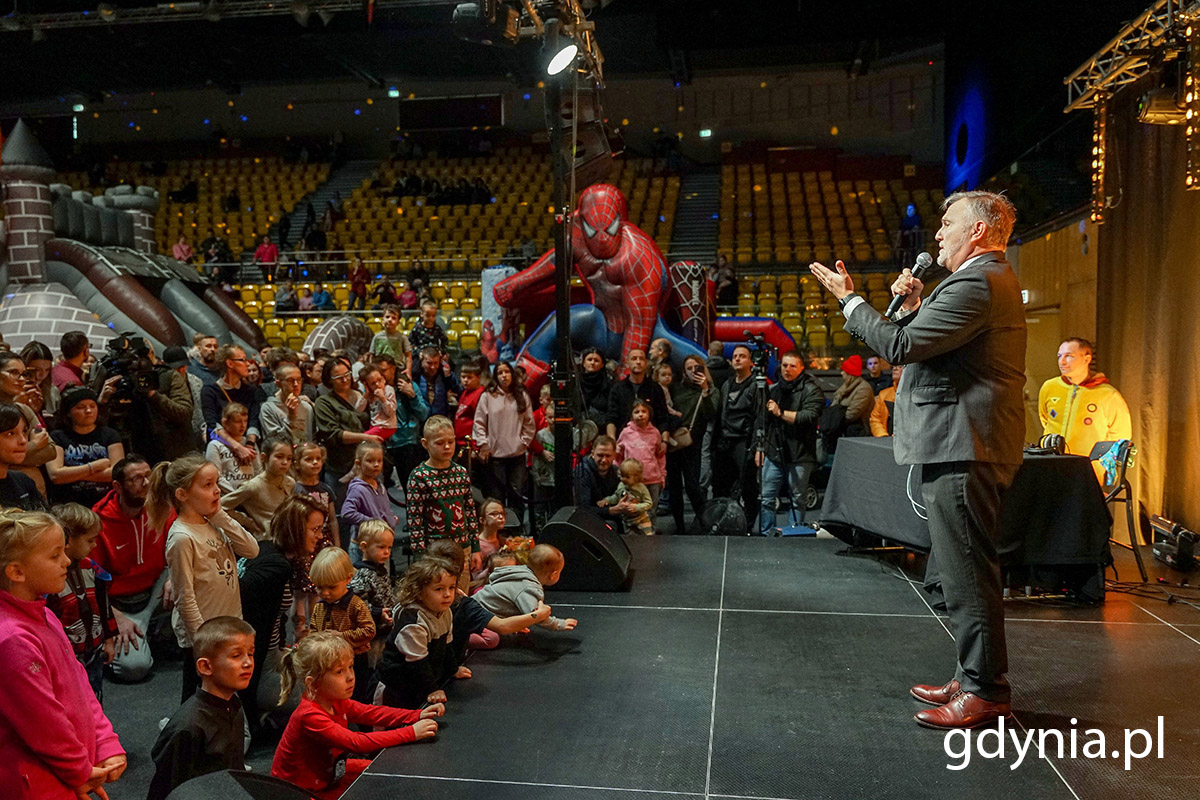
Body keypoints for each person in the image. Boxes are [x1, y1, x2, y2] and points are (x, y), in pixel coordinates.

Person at [810, 189, 1026, 730]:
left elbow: (901, 349)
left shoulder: (979, 280)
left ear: (977, 231)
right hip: (961, 441)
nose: (937, 234)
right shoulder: (977, 280)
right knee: (958, 570)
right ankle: (971, 673)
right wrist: (911, 307)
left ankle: (984, 690)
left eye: (947, 223)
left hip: (965, 443)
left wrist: (850, 303)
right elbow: (926, 339)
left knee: (968, 571)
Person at [0, 509, 127, 799]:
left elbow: (81, 686)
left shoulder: (45, 614)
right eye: (55, 555)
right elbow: (43, 723)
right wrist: (77, 770)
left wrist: (106, 742)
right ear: (16, 572)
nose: (67, 562)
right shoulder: (12, 639)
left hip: (63, 775)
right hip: (35, 784)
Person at [272, 632, 441, 799]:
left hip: (328, 775)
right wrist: (411, 732)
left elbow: (370, 713)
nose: (350, 677)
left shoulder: (335, 701)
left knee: (390, 772)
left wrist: (416, 715)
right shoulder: (309, 715)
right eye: (339, 671)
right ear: (312, 682)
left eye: (350, 667)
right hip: (299, 793)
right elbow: (357, 742)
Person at [149, 454, 260, 702]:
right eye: (207, 485)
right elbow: (184, 597)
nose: (217, 491)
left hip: (227, 627)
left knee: (223, 697)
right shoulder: (181, 537)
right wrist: (203, 643)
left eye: (216, 483)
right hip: (203, 637)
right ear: (182, 494)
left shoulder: (213, 523)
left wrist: (221, 517)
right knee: (198, 699)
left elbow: (252, 550)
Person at [146, 616, 254, 800]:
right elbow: (169, 790)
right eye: (236, 655)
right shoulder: (188, 727)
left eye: (250, 653)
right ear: (205, 666)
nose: (248, 663)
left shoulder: (233, 705)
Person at [92, 454, 172, 682]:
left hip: (156, 591)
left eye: (148, 476)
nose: (146, 483)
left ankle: (159, 632)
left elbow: (178, 548)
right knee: (134, 668)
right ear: (117, 486)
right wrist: (114, 618)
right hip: (119, 604)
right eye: (137, 479)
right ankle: (137, 636)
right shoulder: (98, 521)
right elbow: (91, 578)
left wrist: (175, 577)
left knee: (196, 571)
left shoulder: (161, 508)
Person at [44, 503, 117, 700]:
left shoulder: (93, 569)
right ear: (67, 541)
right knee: (71, 697)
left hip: (93, 647)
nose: (94, 545)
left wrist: (109, 641)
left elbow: (104, 607)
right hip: (66, 653)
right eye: (90, 540)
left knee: (94, 693)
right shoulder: (48, 578)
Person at [374, 556, 462, 709]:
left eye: (451, 588)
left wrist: (453, 669)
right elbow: (417, 663)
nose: (447, 594)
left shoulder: (445, 612)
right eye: (439, 589)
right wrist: (432, 689)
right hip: (395, 688)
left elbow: (446, 645)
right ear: (419, 593)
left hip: (417, 685)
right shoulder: (413, 622)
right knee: (391, 726)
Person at [406, 416, 480, 593]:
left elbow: (470, 511)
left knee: (461, 593)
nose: (447, 447)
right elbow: (415, 519)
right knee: (438, 595)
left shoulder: (460, 473)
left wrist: (475, 547)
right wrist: (419, 554)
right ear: (425, 443)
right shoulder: (419, 476)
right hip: (434, 551)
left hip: (462, 547)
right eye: (440, 443)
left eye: (451, 441)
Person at [756, 350, 825, 536]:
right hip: (774, 453)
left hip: (800, 453)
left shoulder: (812, 390)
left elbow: (809, 416)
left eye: (792, 366)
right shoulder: (774, 390)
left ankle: (794, 534)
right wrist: (759, 448)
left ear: (801, 368)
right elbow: (763, 422)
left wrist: (781, 413)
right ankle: (766, 533)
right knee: (767, 498)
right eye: (784, 365)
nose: (787, 369)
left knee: (797, 500)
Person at [1038, 337, 1132, 462]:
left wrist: (1104, 461)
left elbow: (1120, 435)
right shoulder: (1049, 387)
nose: (1062, 362)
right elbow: (1046, 420)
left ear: (1087, 359)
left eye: (1069, 356)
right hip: (1052, 464)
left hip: (1089, 468)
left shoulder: (1108, 395)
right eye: (1059, 356)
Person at [472, 361, 535, 530]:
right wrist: (484, 444)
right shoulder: (487, 396)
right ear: (495, 376)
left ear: (512, 374)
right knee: (496, 496)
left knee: (517, 494)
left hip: (517, 454)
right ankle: (497, 531)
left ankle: (517, 529)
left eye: (507, 371)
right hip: (495, 456)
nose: (503, 375)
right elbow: (479, 423)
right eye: (500, 372)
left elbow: (529, 423)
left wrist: (523, 443)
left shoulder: (521, 395)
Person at [308, 547, 376, 702]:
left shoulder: (356, 605)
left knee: (359, 698)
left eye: (331, 587)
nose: (325, 593)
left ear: (348, 579)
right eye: (319, 587)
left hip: (355, 661)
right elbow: (313, 630)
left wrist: (342, 637)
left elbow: (369, 630)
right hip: (328, 662)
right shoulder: (319, 606)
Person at [313, 357, 377, 507]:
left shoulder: (360, 395)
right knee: (342, 510)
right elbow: (333, 434)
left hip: (366, 461)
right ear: (329, 380)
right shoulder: (324, 402)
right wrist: (365, 437)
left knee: (370, 508)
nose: (344, 379)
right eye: (338, 377)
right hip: (339, 464)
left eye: (347, 374)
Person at [46, 387, 124, 508]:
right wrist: (94, 466)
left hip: (106, 503)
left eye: (93, 406)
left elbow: (117, 474)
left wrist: (70, 474)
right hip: (68, 504)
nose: (88, 411)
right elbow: (55, 475)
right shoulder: (58, 436)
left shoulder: (110, 435)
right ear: (68, 412)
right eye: (80, 407)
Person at [472, 543, 578, 629]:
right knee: (492, 639)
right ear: (553, 575)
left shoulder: (518, 572)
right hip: (477, 616)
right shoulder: (529, 588)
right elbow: (536, 616)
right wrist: (559, 623)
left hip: (473, 606)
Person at [668, 354, 718, 535]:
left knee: (692, 486)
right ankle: (679, 525)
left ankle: (704, 521)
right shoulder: (676, 388)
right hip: (674, 441)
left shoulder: (711, 390)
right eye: (688, 369)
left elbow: (711, 414)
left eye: (696, 368)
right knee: (673, 487)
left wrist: (705, 390)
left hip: (694, 444)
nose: (692, 372)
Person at [713, 345, 758, 521]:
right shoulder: (727, 384)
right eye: (735, 356)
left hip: (744, 441)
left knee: (748, 486)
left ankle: (748, 522)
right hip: (725, 440)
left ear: (750, 362)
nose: (737, 359)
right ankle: (723, 520)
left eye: (742, 356)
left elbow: (759, 418)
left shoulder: (756, 385)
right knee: (720, 485)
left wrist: (756, 447)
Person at [221, 437, 296, 536]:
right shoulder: (253, 486)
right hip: (267, 540)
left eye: (289, 458)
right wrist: (248, 522)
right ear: (263, 457)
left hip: (288, 537)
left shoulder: (290, 483)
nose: (285, 462)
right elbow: (221, 505)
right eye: (279, 457)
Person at [201, 344, 264, 457]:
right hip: (220, 449)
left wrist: (249, 446)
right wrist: (238, 447)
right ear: (229, 363)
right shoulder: (209, 391)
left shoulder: (252, 391)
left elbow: (253, 421)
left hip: (247, 447)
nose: (248, 363)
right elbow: (213, 425)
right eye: (242, 360)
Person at [349, 520, 397, 660]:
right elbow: (356, 604)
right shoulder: (363, 573)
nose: (387, 552)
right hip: (371, 633)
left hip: (384, 629)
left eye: (389, 547)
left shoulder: (380, 569)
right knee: (373, 663)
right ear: (364, 546)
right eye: (381, 547)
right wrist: (377, 613)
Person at [605, 348, 672, 445]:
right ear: (627, 363)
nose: (638, 362)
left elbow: (663, 418)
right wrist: (613, 443)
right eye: (634, 358)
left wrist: (665, 442)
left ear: (646, 363)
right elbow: (611, 418)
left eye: (641, 359)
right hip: (624, 443)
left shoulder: (655, 388)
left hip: (650, 444)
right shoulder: (617, 389)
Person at [341, 441, 399, 552]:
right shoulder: (358, 489)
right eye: (370, 461)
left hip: (381, 542)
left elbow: (382, 509)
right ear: (358, 463)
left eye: (379, 460)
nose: (376, 464)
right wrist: (373, 522)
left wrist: (391, 518)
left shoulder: (379, 485)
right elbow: (347, 512)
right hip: (364, 546)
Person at [616, 400, 666, 515]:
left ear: (649, 414)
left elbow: (660, 456)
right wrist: (619, 472)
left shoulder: (655, 433)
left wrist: (662, 476)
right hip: (632, 481)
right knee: (632, 510)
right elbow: (618, 455)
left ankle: (650, 532)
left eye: (644, 411)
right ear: (631, 415)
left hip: (653, 479)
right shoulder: (626, 433)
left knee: (651, 510)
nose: (640, 414)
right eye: (636, 412)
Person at [0, 403, 48, 511]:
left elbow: (46, 523)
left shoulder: (23, 481)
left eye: (24, 432)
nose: (23, 440)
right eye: (10, 433)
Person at [206, 402, 261, 493]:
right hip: (228, 497)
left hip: (251, 496)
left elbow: (258, 471)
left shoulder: (249, 443)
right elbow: (216, 476)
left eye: (245, 421)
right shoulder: (215, 445)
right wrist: (235, 494)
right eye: (237, 421)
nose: (243, 426)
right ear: (225, 422)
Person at [574, 435, 622, 532]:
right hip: (587, 520)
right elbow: (583, 508)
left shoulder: (616, 471)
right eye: (600, 455)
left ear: (614, 456)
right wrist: (610, 511)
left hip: (611, 515)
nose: (604, 460)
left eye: (608, 456)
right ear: (592, 454)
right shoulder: (582, 472)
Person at [261, 362, 315, 446]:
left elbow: (309, 439)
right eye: (290, 380)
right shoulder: (268, 408)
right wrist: (291, 416)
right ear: (278, 384)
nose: (296, 384)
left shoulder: (306, 407)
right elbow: (275, 442)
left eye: (299, 380)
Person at [598, 458, 655, 535]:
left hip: (641, 519)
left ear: (636, 476)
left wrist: (636, 507)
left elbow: (649, 503)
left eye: (627, 477)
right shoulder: (621, 485)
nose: (623, 479)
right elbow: (616, 496)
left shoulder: (641, 489)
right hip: (627, 520)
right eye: (622, 476)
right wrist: (607, 500)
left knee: (647, 537)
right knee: (630, 539)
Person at [831, 354, 875, 438]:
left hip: (857, 433)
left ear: (849, 374)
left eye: (844, 371)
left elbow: (852, 414)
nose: (841, 373)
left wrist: (835, 419)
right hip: (842, 429)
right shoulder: (845, 386)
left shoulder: (864, 389)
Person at [19, 340, 60, 420]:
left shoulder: (53, 391)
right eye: (37, 370)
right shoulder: (14, 388)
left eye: (47, 370)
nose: (42, 375)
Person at [414, 347, 460, 418]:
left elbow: (458, 390)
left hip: (440, 418)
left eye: (436, 363)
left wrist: (448, 375)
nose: (433, 367)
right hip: (421, 419)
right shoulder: (416, 376)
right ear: (422, 362)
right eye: (429, 363)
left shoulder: (444, 376)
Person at [357, 365, 398, 442]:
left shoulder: (388, 390)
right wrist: (365, 395)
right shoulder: (369, 395)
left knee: (363, 439)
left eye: (379, 380)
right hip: (374, 426)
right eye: (373, 383)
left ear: (384, 379)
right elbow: (357, 411)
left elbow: (391, 412)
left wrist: (383, 398)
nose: (377, 384)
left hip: (386, 426)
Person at [370, 304, 413, 375]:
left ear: (398, 322)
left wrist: (408, 370)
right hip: (380, 370)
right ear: (382, 319)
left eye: (393, 318)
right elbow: (372, 355)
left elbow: (408, 355)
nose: (390, 320)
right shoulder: (377, 337)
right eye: (387, 317)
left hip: (398, 369)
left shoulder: (402, 338)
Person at [578, 347, 612, 425]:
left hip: (603, 427)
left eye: (596, 360)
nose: (592, 363)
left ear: (602, 364)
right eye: (589, 360)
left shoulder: (609, 384)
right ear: (583, 363)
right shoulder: (575, 382)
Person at [870, 364, 905, 437]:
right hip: (886, 439)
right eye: (893, 366)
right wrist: (882, 435)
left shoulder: (915, 395)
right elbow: (875, 418)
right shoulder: (884, 394)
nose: (894, 368)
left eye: (900, 366)